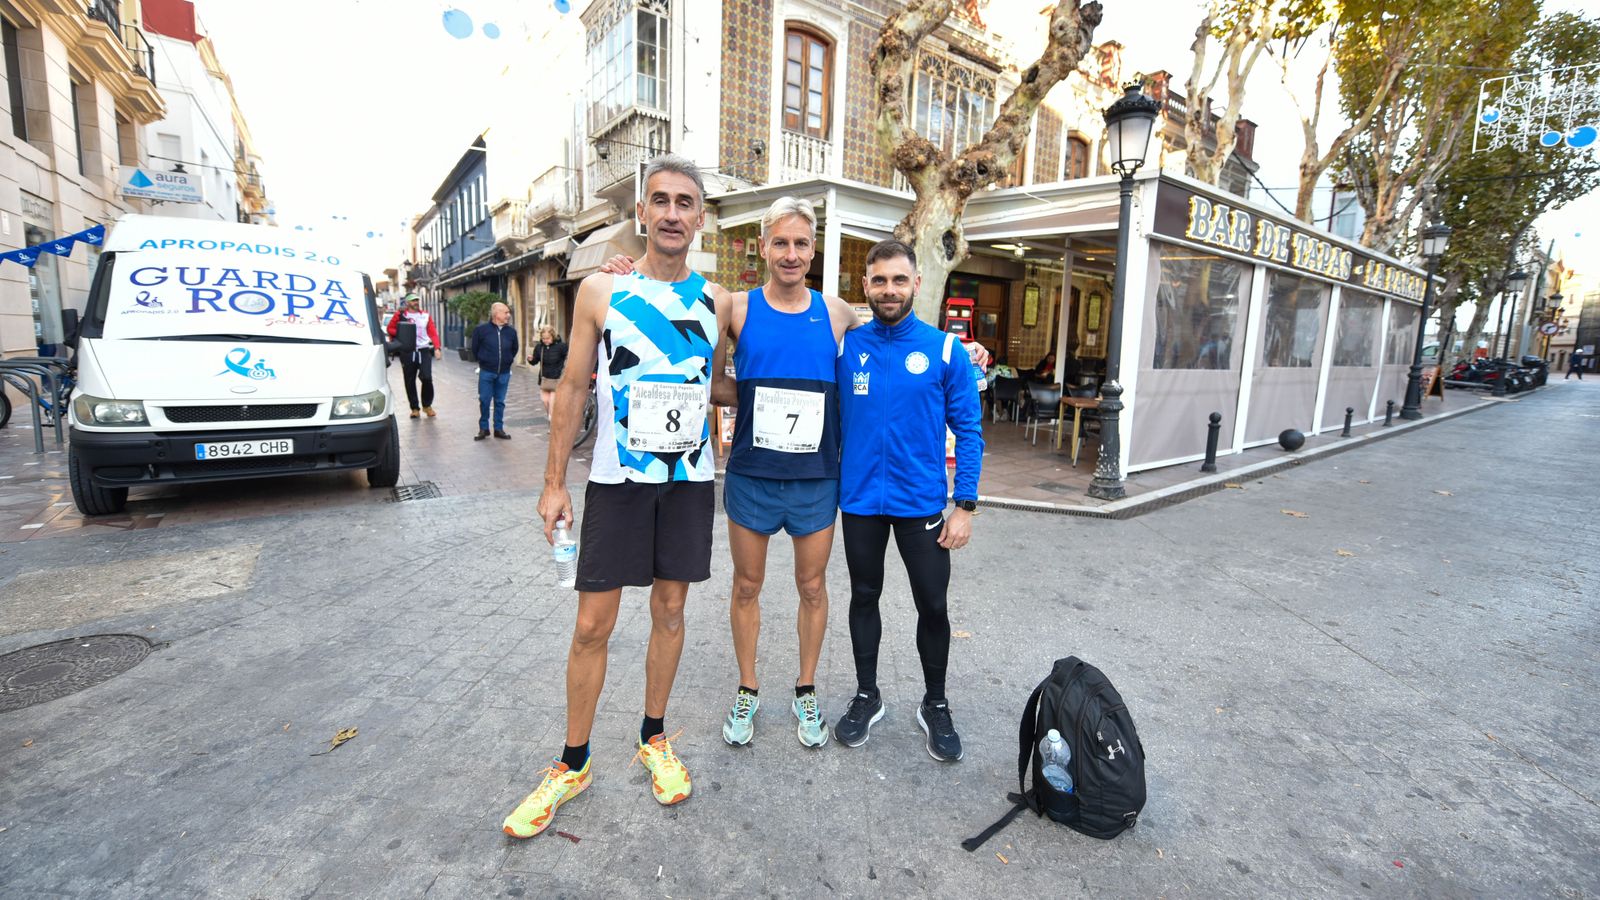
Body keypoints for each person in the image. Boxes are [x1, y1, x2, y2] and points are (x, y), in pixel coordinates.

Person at [502, 154, 731, 839]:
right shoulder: (602, 290)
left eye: (684, 202)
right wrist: (552, 483)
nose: (670, 212)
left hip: (687, 484)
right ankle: (573, 762)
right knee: (592, 626)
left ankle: (653, 737)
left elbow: (726, 377)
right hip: (616, 483)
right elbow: (573, 387)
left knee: (670, 612)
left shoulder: (718, 300)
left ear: (699, 217)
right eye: (658, 200)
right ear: (641, 213)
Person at [833, 239, 984, 762]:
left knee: (933, 604)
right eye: (879, 281)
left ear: (917, 284)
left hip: (922, 504)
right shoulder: (847, 345)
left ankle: (935, 703)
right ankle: (866, 694)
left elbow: (968, 428)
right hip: (859, 502)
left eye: (899, 280)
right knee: (863, 595)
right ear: (866, 287)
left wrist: (964, 504)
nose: (889, 290)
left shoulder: (945, 351)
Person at [386, 293, 442, 418]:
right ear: (407, 303)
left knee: (427, 377)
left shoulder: (425, 316)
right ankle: (414, 408)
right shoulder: (401, 315)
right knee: (409, 380)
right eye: (413, 300)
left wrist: (437, 347)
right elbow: (390, 328)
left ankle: (427, 406)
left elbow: (432, 332)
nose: (416, 302)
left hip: (423, 350)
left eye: (417, 300)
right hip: (408, 351)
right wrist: (403, 333)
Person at [470, 302, 518, 440]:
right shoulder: (481, 330)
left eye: (508, 313)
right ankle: (483, 428)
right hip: (486, 372)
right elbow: (475, 348)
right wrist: (483, 360)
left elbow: (514, 349)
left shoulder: (511, 332)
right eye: (506, 312)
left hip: (504, 372)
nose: (508, 315)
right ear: (496, 314)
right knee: (484, 400)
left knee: (500, 402)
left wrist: (507, 360)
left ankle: (498, 428)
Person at [530, 325, 568, 418]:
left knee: (552, 403)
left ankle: (552, 424)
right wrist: (531, 359)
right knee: (545, 401)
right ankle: (552, 419)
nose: (545, 340)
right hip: (545, 379)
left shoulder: (561, 347)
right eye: (543, 338)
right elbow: (535, 361)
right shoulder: (539, 348)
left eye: (548, 338)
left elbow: (568, 357)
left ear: (553, 336)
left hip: (557, 379)